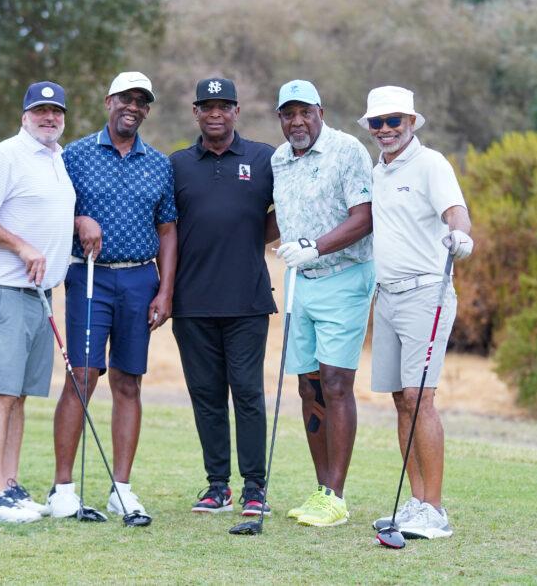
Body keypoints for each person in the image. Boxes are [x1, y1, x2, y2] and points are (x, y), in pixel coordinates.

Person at [48, 71, 177, 524]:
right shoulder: (75, 154)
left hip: (140, 279)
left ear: (147, 110)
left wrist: (166, 289)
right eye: (126, 98)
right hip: (89, 276)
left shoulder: (158, 164)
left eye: (142, 101)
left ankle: (121, 489)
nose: (133, 107)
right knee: (81, 377)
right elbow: (51, 208)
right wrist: (78, 220)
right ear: (109, 101)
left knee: (128, 382)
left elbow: (167, 230)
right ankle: (63, 488)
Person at [359, 85, 473, 539]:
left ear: (410, 122)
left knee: (420, 396)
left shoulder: (431, 163)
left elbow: (456, 212)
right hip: (386, 296)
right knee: (400, 398)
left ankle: (435, 510)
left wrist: (460, 237)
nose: (385, 129)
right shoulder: (378, 171)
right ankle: (417, 501)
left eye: (394, 121)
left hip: (427, 293)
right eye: (377, 122)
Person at [0, 81, 76, 523]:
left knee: (20, 396)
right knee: (1, 393)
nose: (49, 118)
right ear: (25, 115)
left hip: (41, 295)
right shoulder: (5, 156)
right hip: (7, 291)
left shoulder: (57, 158)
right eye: (41, 111)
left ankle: (9, 486)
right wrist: (21, 246)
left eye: (56, 111)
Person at [169, 77, 278, 516]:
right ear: (196, 112)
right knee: (206, 395)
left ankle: (254, 488)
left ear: (236, 111)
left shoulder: (263, 158)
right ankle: (218, 486)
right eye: (207, 106)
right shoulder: (177, 164)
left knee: (248, 394)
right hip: (192, 302)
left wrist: (251, 236)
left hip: (247, 301)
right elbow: (167, 228)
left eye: (224, 106)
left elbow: (287, 210)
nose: (216, 114)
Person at [270, 79, 374, 528]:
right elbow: (278, 218)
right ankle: (321, 489)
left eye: (304, 112)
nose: (297, 121)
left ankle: (336, 495)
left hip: (343, 275)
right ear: (280, 118)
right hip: (300, 281)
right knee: (308, 386)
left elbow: (364, 218)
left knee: (335, 383)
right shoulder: (279, 159)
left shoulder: (347, 150)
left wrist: (314, 247)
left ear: (321, 113)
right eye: (288, 114)